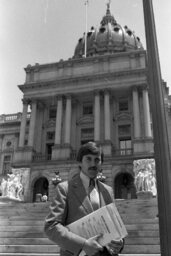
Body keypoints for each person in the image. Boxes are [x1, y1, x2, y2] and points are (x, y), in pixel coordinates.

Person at [44, 142, 124, 256]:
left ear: (101, 163)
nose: (93, 164)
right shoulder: (65, 189)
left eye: (97, 160)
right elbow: (51, 226)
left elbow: (115, 227)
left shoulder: (108, 191)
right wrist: (83, 244)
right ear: (80, 162)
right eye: (88, 159)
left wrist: (119, 242)